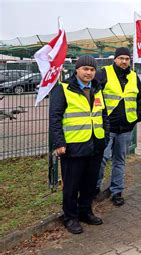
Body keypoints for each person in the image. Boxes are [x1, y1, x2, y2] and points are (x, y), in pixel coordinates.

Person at [49, 55, 109, 234]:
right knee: (71, 185)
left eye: (92, 70)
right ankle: (70, 217)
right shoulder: (64, 89)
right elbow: (55, 118)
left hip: (95, 145)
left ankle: (85, 212)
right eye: (85, 69)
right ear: (77, 69)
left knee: (89, 183)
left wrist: (104, 136)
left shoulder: (97, 89)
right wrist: (59, 143)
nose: (89, 73)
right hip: (73, 146)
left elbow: (103, 115)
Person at [95, 47, 141, 206]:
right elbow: (95, 94)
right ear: (114, 59)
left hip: (126, 128)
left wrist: (138, 114)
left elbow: (139, 98)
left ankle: (117, 191)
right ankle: (95, 187)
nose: (124, 61)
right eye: (121, 58)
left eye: (127, 59)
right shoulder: (104, 73)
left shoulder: (134, 76)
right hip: (107, 127)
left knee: (120, 160)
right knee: (102, 158)